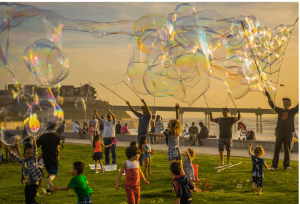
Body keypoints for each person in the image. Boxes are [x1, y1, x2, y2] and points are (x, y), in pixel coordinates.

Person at [265, 92, 299, 170]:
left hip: (288, 133)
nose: (285, 103)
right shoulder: (280, 110)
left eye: (287, 102)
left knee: (287, 149)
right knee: (277, 149)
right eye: (284, 102)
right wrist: (268, 96)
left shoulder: (292, 111)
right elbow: (272, 105)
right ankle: (274, 166)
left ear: (290, 104)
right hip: (279, 132)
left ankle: (286, 165)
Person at [147, 104, 182, 175]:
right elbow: (177, 120)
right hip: (178, 150)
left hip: (172, 151)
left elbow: (161, 134)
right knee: (180, 170)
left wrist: (152, 134)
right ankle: (183, 183)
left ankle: (175, 183)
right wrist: (177, 110)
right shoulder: (178, 130)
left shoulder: (169, 132)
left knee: (173, 170)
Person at [6, 139, 43, 204]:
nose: (26, 154)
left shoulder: (33, 160)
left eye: (28, 153)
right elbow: (16, 158)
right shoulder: (24, 161)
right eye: (25, 152)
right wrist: (9, 150)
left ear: (32, 155)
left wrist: (34, 142)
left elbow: (35, 152)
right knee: (27, 201)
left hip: (33, 185)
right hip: (27, 185)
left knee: (31, 201)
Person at [126, 99, 151, 166]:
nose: (143, 110)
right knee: (139, 149)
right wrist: (129, 105)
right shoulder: (140, 115)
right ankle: (140, 163)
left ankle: (147, 163)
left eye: (144, 109)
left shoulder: (148, 116)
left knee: (146, 149)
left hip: (145, 134)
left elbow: (148, 111)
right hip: (139, 134)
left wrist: (145, 103)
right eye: (142, 109)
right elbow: (133, 111)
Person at [37, 123, 60, 195]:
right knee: (54, 173)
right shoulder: (56, 136)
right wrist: (58, 155)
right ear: (54, 128)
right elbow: (57, 149)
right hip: (52, 156)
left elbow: (35, 146)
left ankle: (48, 190)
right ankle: (49, 180)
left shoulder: (42, 136)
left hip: (45, 157)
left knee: (49, 172)